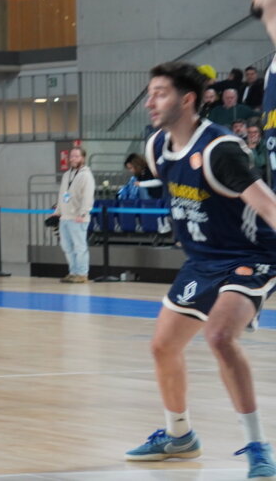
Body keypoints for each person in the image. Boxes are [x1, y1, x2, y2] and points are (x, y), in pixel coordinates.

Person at [121, 61, 276, 475]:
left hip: (250, 256)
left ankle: (258, 445)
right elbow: (167, 185)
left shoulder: (219, 150)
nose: (150, 101)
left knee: (220, 336)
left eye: (160, 93)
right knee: (162, 346)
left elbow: (267, 204)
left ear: (187, 100)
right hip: (202, 260)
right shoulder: (156, 146)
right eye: (150, 93)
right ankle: (180, 436)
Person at [50, 146, 95, 283]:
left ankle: (82, 274)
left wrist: (83, 213)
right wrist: (57, 211)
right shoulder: (66, 175)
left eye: (76, 156)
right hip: (65, 217)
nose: (73, 159)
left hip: (78, 218)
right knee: (67, 247)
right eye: (71, 156)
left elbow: (88, 196)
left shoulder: (86, 176)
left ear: (83, 158)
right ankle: (73, 271)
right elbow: (62, 194)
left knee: (79, 246)